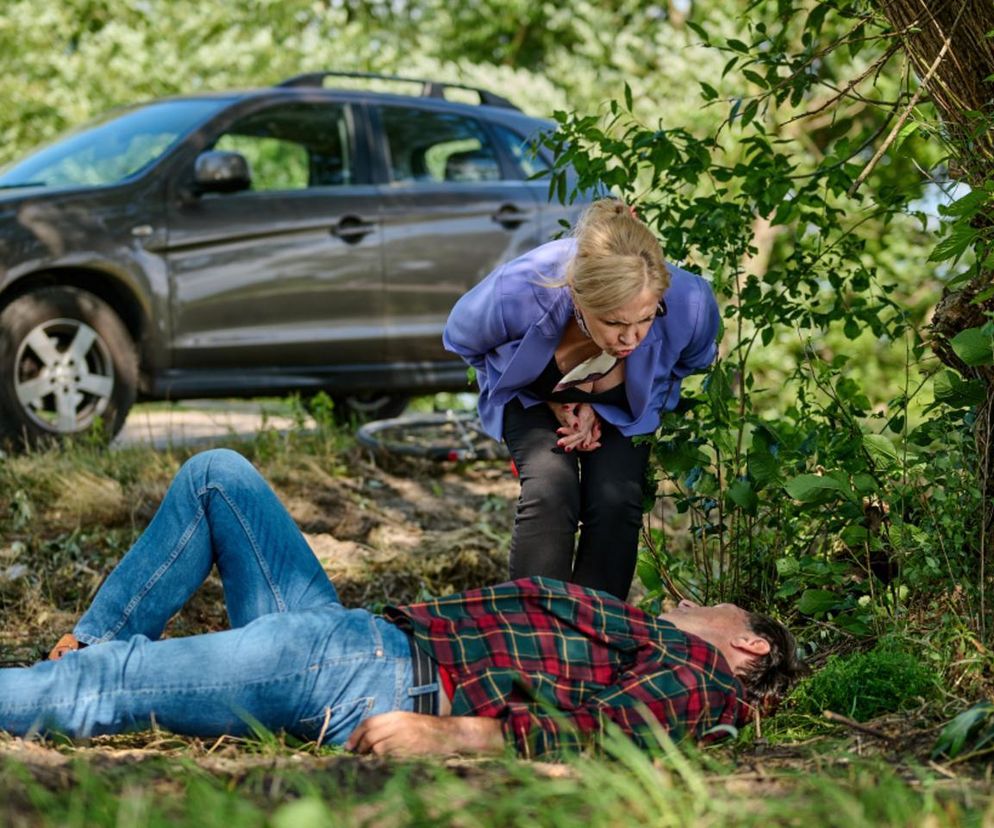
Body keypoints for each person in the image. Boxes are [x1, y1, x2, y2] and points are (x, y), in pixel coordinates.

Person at [2, 450, 803, 758]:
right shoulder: (654, 643)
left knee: (110, 688)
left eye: (717, 607)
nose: (690, 602)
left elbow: (610, 730)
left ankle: (61, 682)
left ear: (751, 645)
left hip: (370, 676)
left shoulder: (703, 677)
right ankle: (79, 649)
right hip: (353, 639)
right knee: (219, 477)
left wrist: (456, 733)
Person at [443, 198, 720, 600]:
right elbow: (462, 340)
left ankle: (595, 630)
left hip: (622, 408)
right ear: (578, 297)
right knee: (551, 491)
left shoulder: (690, 304)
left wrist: (604, 410)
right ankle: (536, 626)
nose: (631, 338)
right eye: (614, 322)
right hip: (532, 396)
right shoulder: (521, 290)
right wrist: (546, 393)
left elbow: (688, 363)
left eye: (646, 318)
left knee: (616, 500)